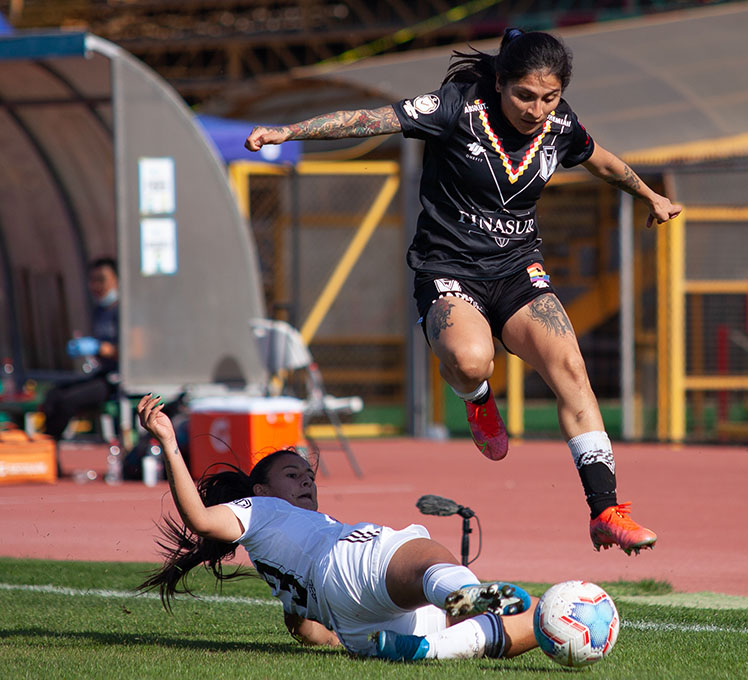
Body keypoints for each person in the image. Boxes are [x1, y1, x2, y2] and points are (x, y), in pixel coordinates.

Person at [245, 29, 681, 555]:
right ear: (499, 82)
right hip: (447, 268)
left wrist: (650, 194)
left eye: (549, 97)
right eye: (524, 95)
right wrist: (286, 131)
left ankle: (605, 511)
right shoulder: (455, 108)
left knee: (571, 369)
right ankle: (477, 400)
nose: (536, 109)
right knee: (473, 361)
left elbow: (600, 159)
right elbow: (369, 119)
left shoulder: (560, 125)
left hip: (518, 268)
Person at [135, 394, 537, 661]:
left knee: (532, 619)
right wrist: (170, 444)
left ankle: (430, 647)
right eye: (292, 474)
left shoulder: (280, 547)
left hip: (360, 628)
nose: (307, 480)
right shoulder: (259, 509)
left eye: (309, 475)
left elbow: (308, 632)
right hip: (353, 567)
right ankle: (462, 592)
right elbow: (202, 519)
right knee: (424, 554)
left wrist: (334, 634)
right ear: (260, 490)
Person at [41, 257, 120, 466]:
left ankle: (49, 448)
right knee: (53, 394)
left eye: (101, 280)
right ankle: (47, 449)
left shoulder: (124, 311)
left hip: (118, 379)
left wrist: (99, 347)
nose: (96, 286)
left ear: (117, 281)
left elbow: (134, 351)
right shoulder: (99, 311)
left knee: (69, 400)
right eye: (92, 280)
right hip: (101, 373)